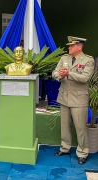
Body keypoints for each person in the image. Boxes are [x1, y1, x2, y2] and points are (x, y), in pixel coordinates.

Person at [52, 36, 94, 164]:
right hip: (64, 97)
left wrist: (68, 73)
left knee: (80, 127)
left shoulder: (88, 60)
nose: (68, 47)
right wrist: (60, 75)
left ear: (79, 47)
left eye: (71, 45)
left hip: (79, 99)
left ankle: (82, 152)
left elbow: (85, 78)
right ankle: (65, 148)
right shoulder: (64, 58)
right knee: (65, 126)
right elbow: (54, 73)